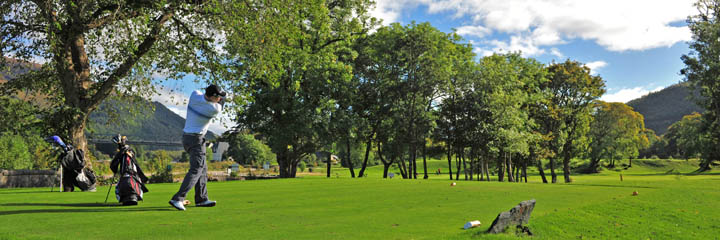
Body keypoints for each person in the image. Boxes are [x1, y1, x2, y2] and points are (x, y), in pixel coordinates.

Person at [169, 84, 226, 211]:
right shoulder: (213, 109)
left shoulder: (194, 95)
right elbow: (222, 104)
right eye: (218, 97)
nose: (220, 99)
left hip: (187, 137)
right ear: (213, 97)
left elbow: (205, 95)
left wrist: (218, 93)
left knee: (203, 168)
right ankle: (178, 198)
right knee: (197, 169)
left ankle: (201, 199)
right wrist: (224, 96)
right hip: (196, 139)